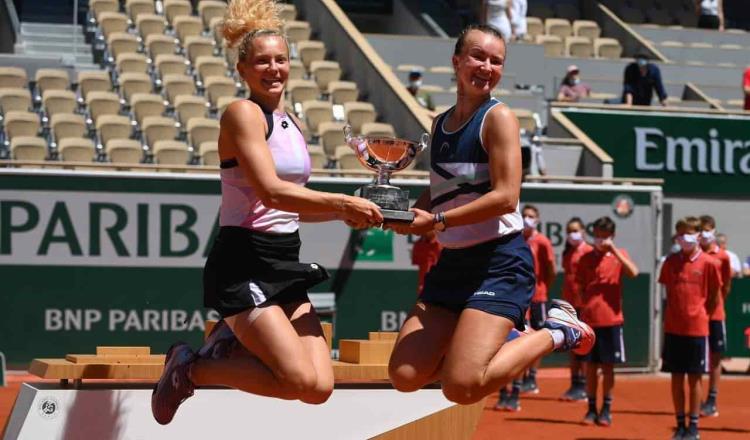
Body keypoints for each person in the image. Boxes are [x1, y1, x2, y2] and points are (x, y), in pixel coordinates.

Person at [150, 0, 383, 425]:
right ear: (242, 70)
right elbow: (272, 193)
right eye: (262, 61)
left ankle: (228, 340)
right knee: (295, 379)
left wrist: (342, 216)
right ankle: (190, 365)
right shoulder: (242, 114)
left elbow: (291, 204)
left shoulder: (291, 120)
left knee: (318, 388)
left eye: (281, 59)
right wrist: (343, 203)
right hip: (243, 263)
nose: (273, 68)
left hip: (283, 260)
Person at [383, 24, 595, 408]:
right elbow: (440, 186)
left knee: (460, 387)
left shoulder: (499, 119)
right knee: (404, 375)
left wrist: (438, 223)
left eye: (496, 61)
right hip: (453, 265)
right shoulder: (440, 123)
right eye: (478, 56)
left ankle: (557, 332)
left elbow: (506, 197)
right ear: (457, 61)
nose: (486, 66)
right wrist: (407, 214)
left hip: (499, 262)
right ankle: (495, 341)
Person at [659, 217, 722, 440]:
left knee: (695, 378)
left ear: (697, 235)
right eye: (681, 233)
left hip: (697, 329)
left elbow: (715, 295)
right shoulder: (670, 262)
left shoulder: (709, 263)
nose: (685, 238)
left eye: (689, 233)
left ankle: (693, 426)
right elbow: (667, 290)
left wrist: (699, 314)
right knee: (676, 377)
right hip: (674, 329)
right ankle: (680, 424)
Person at [577, 216, 639, 427]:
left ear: (612, 236)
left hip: (611, 321)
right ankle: (591, 408)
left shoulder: (619, 256)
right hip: (589, 322)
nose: (600, 240)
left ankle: (607, 409)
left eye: (604, 236)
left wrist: (614, 251)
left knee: (608, 367)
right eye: (597, 235)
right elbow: (580, 286)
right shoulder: (585, 258)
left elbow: (634, 272)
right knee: (591, 367)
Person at [698, 215, 732, 418]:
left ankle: (712, 398)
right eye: (700, 230)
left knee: (715, 357)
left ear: (714, 230)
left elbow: (726, 285)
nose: (703, 234)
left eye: (707, 229)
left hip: (715, 315)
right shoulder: (694, 255)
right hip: (697, 315)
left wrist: (716, 304)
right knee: (698, 358)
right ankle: (698, 399)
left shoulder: (723, 257)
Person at [520, 204, 556, 394]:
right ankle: (517, 378)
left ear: (538, 219)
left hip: (538, 298)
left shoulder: (542, 241)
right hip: (519, 297)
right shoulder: (516, 238)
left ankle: (532, 377)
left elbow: (551, 270)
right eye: (525, 215)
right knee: (520, 337)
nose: (527, 218)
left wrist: (542, 288)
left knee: (537, 337)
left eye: (531, 216)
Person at [559, 217, 593, 402]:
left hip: (585, 306)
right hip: (570, 305)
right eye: (569, 231)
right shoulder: (568, 252)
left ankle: (586, 387)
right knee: (572, 345)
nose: (573, 234)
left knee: (584, 346)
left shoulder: (588, 251)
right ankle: (575, 384)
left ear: (583, 232)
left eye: (576, 230)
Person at [412, 230, 443, 295]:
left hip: (440, 287)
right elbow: (416, 268)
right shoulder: (417, 245)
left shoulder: (443, 244)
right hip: (423, 289)